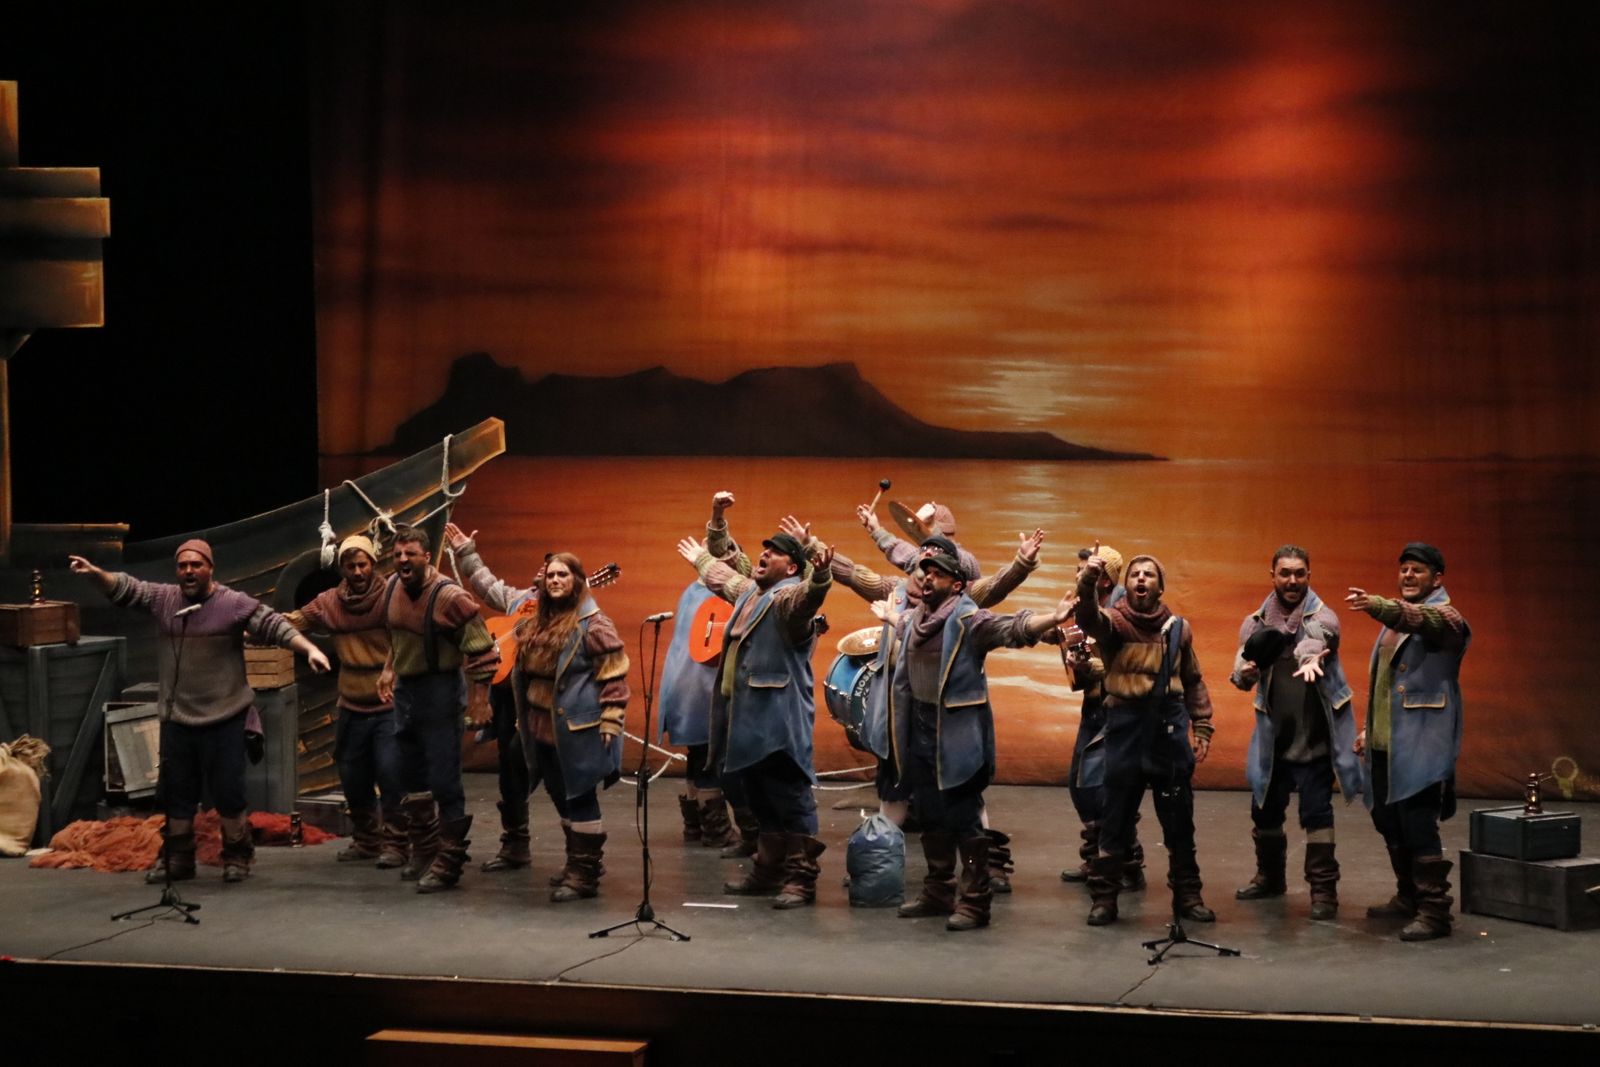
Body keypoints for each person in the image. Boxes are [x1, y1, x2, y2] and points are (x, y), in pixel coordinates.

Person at [780, 507, 1042, 891]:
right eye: (922, 564)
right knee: (894, 786)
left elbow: (999, 589)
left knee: (965, 798)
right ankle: (878, 863)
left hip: (947, 718)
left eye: (934, 565)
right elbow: (853, 573)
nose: (924, 571)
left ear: (954, 578)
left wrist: (1021, 563)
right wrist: (811, 546)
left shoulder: (962, 600)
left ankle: (989, 868)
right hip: (897, 712)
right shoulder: (896, 592)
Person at [69, 541, 331, 883]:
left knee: (229, 794)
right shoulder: (165, 600)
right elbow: (127, 589)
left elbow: (273, 625)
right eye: (182, 566)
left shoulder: (232, 604)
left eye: (196, 565)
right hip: (179, 718)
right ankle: (178, 860)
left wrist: (308, 648)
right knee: (177, 794)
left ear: (210, 568)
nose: (188, 571)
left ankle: (238, 857)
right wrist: (96, 576)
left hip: (225, 716)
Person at [884, 551, 1070, 930]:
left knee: (965, 820)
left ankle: (974, 901)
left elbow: (1012, 627)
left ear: (956, 585)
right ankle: (938, 891)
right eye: (925, 572)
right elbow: (903, 625)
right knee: (931, 815)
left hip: (956, 734)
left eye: (936, 574)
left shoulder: (970, 620)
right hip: (919, 729)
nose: (926, 578)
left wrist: (1051, 619)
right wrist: (890, 617)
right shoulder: (917, 619)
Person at [449, 529, 631, 902]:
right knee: (559, 795)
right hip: (538, 727)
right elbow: (486, 586)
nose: (554, 580)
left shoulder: (594, 624)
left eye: (563, 574)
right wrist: (466, 553)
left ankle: (584, 875)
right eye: (550, 575)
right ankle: (574, 863)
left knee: (580, 797)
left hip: (577, 728)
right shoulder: (533, 618)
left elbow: (614, 673)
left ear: (578, 581)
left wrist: (611, 719)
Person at [677, 520, 833, 910]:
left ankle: (800, 878)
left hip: (778, 722)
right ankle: (768, 869)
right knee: (760, 800)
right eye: (764, 550)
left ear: (792, 569)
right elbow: (725, 576)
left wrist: (822, 577)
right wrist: (701, 557)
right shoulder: (751, 593)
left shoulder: (786, 600)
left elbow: (807, 601)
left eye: (775, 552)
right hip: (745, 720)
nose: (764, 555)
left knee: (790, 798)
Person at [1072, 552, 1215, 926]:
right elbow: (1087, 618)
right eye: (1134, 574)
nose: (1140, 579)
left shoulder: (1179, 628)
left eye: (1149, 575)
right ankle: (1104, 899)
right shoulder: (1114, 624)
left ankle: (1188, 896)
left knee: (1179, 822)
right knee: (1115, 819)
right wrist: (1088, 581)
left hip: (1168, 733)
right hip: (1126, 730)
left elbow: (1194, 679)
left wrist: (1201, 725)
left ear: (1160, 585)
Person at [1228, 545, 1365, 920]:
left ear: (1309, 576)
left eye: (1299, 573)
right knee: (1265, 812)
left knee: (1317, 816)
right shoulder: (1255, 623)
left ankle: (1323, 891)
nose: (1292, 580)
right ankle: (1270, 878)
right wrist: (1246, 674)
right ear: (1272, 575)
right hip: (1274, 742)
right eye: (1285, 573)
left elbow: (1317, 639)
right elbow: (1241, 669)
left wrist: (1309, 658)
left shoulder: (1325, 616)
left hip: (1316, 740)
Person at [1348, 542, 1469, 941]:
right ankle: (1409, 896)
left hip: (1421, 742)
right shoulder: (1394, 623)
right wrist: (1370, 729)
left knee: (1418, 822)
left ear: (1438, 578)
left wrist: (1379, 605)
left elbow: (1422, 619)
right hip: (1388, 740)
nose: (1408, 576)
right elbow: (1386, 685)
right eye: (1404, 570)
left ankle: (1435, 912)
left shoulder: (1446, 618)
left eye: (1417, 570)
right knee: (1386, 818)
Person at [375, 525, 498, 893]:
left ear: (427, 557)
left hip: (441, 692)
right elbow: (397, 636)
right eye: (397, 555)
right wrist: (388, 669)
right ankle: (425, 850)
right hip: (407, 692)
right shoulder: (393, 587)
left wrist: (479, 702)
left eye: (409, 554)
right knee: (408, 776)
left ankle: (449, 861)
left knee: (444, 781)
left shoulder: (449, 597)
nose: (402, 561)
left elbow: (483, 651)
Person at [285, 534, 407, 866]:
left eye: (362, 564)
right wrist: (254, 627)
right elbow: (293, 621)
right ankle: (367, 840)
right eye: (350, 565)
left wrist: (391, 669)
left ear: (372, 564)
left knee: (390, 772)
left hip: (387, 702)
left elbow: (408, 635)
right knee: (353, 775)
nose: (357, 571)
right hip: (352, 701)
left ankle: (397, 842)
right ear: (342, 568)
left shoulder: (391, 597)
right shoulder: (330, 602)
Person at [1049, 545, 1146, 891]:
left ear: (1105, 578)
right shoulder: (1084, 602)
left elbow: (1122, 663)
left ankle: (1127, 862)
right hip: (1092, 707)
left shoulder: (1121, 612)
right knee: (1080, 786)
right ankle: (1097, 856)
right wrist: (1049, 626)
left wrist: (1088, 666)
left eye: (1084, 569)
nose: (1078, 575)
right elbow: (1065, 633)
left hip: (1116, 710)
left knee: (1108, 790)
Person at [443, 523, 535, 876]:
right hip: (507, 701)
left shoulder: (571, 612)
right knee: (510, 775)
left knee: (550, 777)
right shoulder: (520, 600)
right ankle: (515, 845)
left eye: (557, 570)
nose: (546, 573)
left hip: (540, 706)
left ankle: (580, 856)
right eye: (544, 569)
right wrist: (466, 552)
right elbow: (486, 583)